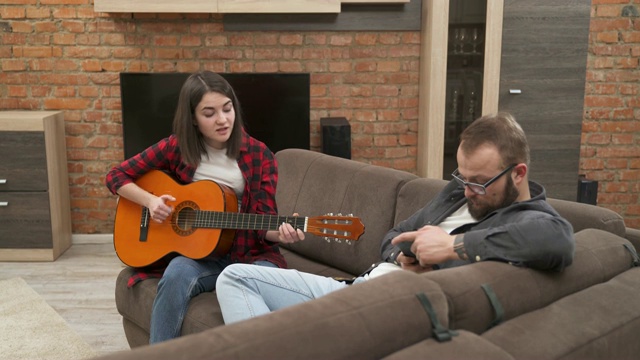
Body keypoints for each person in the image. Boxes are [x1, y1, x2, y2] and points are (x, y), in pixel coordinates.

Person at [215, 112, 576, 324]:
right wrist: (406, 254)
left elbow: (558, 240)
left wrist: (451, 247)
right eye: (463, 177)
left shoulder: (533, 219)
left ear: (518, 173)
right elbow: (394, 235)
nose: (468, 190)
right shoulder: (457, 191)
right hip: (358, 286)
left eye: (480, 183)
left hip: (384, 310)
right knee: (234, 277)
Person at [105, 70, 304, 343]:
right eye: (209, 113)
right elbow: (115, 176)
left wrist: (280, 232)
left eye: (227, 108)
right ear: (194, 119)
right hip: (202, 256)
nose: (222, 120)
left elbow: (264, 222)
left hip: (250, 252)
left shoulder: (260, 155)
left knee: (267, 284)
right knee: (176, 272)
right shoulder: (177, 147)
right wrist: (150, 201)